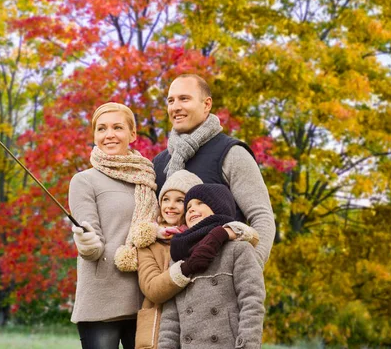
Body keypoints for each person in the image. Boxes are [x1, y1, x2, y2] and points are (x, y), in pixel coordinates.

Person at [153, 74, 276, 267]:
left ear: (206, 104)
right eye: (171, 101)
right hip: (167, 283)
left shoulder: (231, 153)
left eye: (184, 99)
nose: (175, 107)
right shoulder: (160, 164)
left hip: (218, 282)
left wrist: (249, 270)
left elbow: (261, 217)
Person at [133, 170, 259, 349]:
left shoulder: (238, 248)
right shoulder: (179, 256)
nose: (192, 208)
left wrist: (248, 345)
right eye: (190, 204)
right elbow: (171, 317)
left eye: (199, 202)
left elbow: (251, 301)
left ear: (219, 206)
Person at [68, 102, 159, 349]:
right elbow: (92, 245)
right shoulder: (84, 181)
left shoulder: (149, 179)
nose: (109, 134)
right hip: (102, 300)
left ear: (132, 134)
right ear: (95, 135)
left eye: (117, 127)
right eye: (102, 128)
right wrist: (86, 243)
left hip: (146, 298)